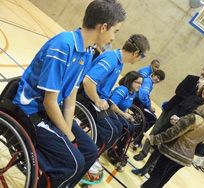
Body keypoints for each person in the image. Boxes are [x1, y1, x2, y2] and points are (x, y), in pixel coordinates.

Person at [12, 0, 126, 187]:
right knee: (74, 162)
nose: (114, 38)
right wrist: (68, 135)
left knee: (89, 150)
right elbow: (49, 102)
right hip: (31, 110)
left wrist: (68, 129)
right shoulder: (63, 45)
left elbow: (70, 97)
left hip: (50, 110)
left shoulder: (88, 52)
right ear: (103, 27)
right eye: (115, 31)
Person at [81, 34, 150, 151]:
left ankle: (94, 154)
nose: (141, 59)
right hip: (87, 98)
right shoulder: (111, 59)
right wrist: (97, 99)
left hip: (99, 99)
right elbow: (88, 82)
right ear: (136, 52)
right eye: (142, 56)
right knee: (111, 130)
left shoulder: (119, 62)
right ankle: (88, 153)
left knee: (119, 127)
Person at [132, 82, 204, 175]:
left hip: (181, 133)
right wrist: (172, 116)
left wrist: (179, 121)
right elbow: (178, 107)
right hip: (171, 124)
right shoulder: (193, 97)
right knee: (158, 149)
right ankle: (144, 169)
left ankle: (151, 171)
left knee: (163, 154)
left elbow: (193, 120)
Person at [133, 65, 204, 158]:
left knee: (169, 137)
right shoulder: (190, 78)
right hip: (171, 109)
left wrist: (198, 92)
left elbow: (200, 104)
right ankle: (143, 152)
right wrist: (192, 96)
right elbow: (179, 91)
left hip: (185, 117)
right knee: (156, 130)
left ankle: (153, 159)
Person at [141, 97, 204, 188]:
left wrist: (154, 139)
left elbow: (172, 133)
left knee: (156, 176)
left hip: (172, 153)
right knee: (163, 180)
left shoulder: (193, 118)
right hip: (185, 159)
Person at [107, 71, 143, 163]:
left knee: (132, 127)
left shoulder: (133, 93)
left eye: (141, 83)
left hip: (118, 114)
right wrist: (124, 115)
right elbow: (112, 105)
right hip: (109, 112)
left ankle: (118, 149)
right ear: (130, 81)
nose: (139, 85)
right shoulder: (122, 90)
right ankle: (115, 151)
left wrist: (128, 116)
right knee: (128, 128)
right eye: (138, 83)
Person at [133, 70, 165, 148]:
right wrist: (149, 106)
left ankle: (135, 135)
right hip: (136, 102)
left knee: (151, 117)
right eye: (157, 77)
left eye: (160, 80)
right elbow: (143, 95)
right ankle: (136, 138)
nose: (158, 80)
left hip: (137, 102)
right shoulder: (148, 82)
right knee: (152, 119)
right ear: (153, 74)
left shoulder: (148, 82)